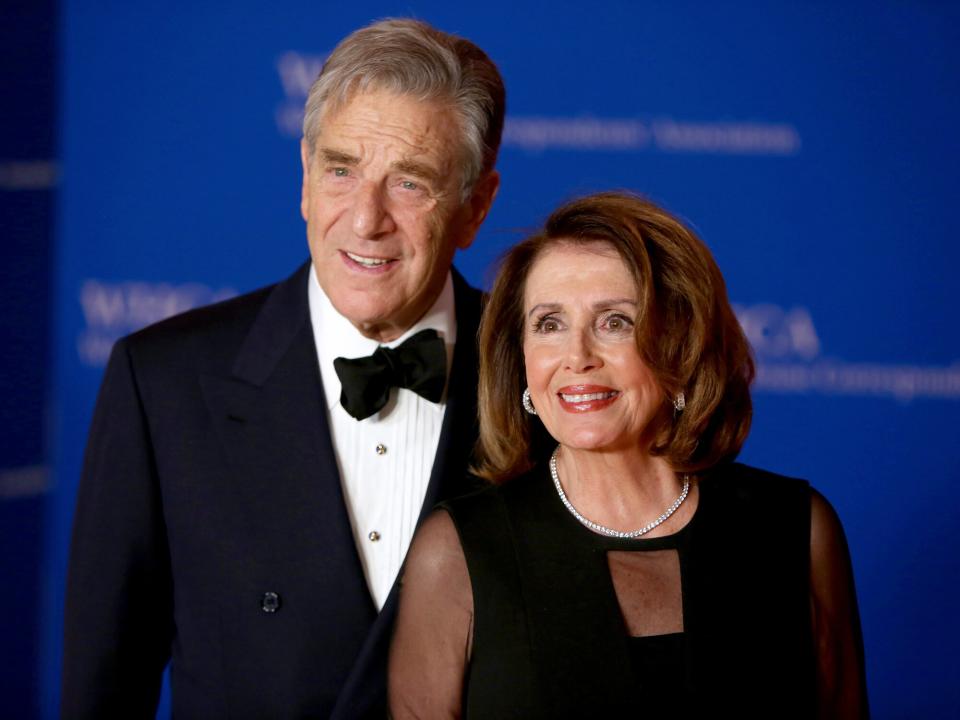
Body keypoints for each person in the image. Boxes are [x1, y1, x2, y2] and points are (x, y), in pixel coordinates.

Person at [61, 18, 503, 719]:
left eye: (410, 184)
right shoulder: (163, 383)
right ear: (304, 179)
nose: (366, 219)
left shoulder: (536, 379)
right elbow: (102, 688)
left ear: (475, 208)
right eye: (340, 169)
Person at [389, 192, 868, 718]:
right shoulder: (458, 550)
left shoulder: (794, 528)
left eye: (614, 322)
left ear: (683, 343)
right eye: (549, 324)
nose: (577, 357)